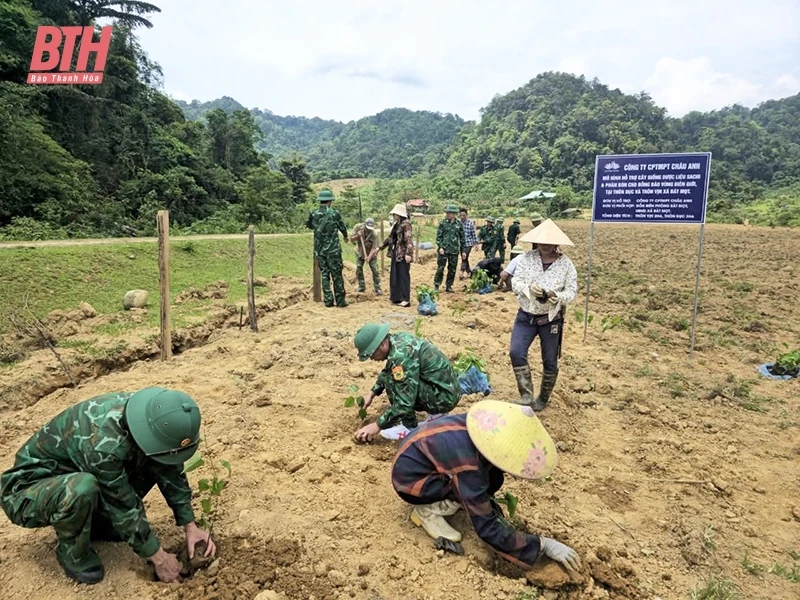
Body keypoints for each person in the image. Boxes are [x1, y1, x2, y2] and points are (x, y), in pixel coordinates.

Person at [0, 388, 215, 585]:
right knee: (82, 488)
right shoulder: (104, 444)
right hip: (28, 491)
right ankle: (72, 553)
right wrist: (159, 558)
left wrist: (191, 526)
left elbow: (169, 466)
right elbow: (122, 504)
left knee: (156, 460)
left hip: (78, 473)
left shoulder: (154, 418)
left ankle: (96, 522)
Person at [391, 400, 581, 572]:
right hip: (410, 481)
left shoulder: (480, 426)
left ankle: (452, 497)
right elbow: (487, 529)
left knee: (494, 478)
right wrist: (542, 545)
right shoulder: (469, 464)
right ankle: (428, 510)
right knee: (474, 492)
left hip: (418, 456)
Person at [504, 220, 578, 411]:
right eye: (541, 241)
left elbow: (571, 292)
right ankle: (526, 396)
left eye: (549, 242)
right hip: (526, 316)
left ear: (556, 243)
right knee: (516, 352)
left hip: (550, 319)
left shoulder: (566, 265)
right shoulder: (526, 259)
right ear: (536, 242)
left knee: (550, 360)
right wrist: (529, 288)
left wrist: (554, 295)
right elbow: (516, 282)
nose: (545, 245)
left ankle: (543, 399)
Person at [352, 322, 461, 442]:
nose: (371, 358)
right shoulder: (398, 339)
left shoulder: (400, 358)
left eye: (371, 354)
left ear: (382, 344)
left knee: (393, 382)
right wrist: (372, 393)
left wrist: (377, 425)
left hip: (444, 397)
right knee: (393, 376)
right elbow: (387, 370)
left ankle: (408, 427)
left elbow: (404, 402)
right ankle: (437, 416)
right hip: (446, 389)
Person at [306, 189, 348, 308]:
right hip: (333, 250)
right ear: (330, 201)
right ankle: (340, 301)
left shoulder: (313, 214)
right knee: (337, 275)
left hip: (320, 250)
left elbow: (309, 225)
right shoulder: (334, 213)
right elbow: (342, 227)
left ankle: (328, 301)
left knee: (325, 274)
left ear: (320, 201)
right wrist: (345, 236)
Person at [369, 204, 413, 308]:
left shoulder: (406, 224)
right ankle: (397, 297)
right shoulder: (397, 224)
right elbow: (390, 239)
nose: (393, 215)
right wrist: (379, 248)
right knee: (395, 276)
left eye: (395, 214)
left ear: (399, 214)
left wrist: (408, 254)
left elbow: (409, 239)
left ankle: (405, 299)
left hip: (402, 255)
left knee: (403, 276)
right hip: (395, 254)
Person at [434, 204, 467, 293]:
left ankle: (449, 286)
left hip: (454, 251)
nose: (448, 214)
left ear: (454, 214)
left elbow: (462, 238)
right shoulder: (443, 223)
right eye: (447, 212)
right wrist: (440, 247)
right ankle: (436, 285)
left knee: (452, 269)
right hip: (443, 250)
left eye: (450, 213)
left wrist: (463, 251)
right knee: (440, 268)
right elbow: (438, 237)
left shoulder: (459, 224)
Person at [350, 217, 382, 295]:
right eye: (367, 228)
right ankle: (361, 286)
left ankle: (377, 288)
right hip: (359, 252)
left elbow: (374, 248)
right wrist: (358, 235)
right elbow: (351, 239)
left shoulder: (374, 234)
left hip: (371, 253)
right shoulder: (357, 227)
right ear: (364, 224)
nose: (369, 230)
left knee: (375, 269)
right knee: (359, 267)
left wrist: (369, 257)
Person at [458, 208, 479, 279]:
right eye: (461, 215)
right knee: (465, 258)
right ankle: (469, 272)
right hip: (461, 244)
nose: (462, 217)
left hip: (469, 243)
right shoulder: (458, 223)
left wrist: (476, 244)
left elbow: (474, 234)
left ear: (466, 215)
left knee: (464, 256)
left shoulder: (470, 223)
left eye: (463, 215)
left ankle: (461, 272)